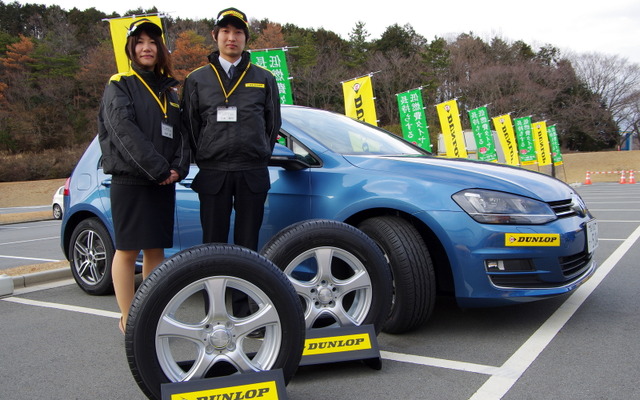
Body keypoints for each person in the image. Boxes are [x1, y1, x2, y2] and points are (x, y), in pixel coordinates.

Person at [98, 18, 190, 334]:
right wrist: (159, 168)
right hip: (132, 180)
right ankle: (129, 320)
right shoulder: (119, 84)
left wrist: (178, 167)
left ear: (161, 49)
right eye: (140, 42)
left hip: (163, 181)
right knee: (127, 250)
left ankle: (152, 313)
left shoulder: (171, 90)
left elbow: (181, 135)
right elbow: (124, 131)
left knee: (156, 250)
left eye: (152, 42)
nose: (146, 47)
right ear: (131, 48)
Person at [181, 7, 281, 252]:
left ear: (246, 39)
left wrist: (260, 154)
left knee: (248, 242)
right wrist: (204, 154)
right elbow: (190, 126)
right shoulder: (196, 79)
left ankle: (244, 292)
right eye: (225, 31)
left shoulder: (265, 77)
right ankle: (214, 290)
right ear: (215, 35)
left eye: (238, 32)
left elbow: (273, 123)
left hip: (252, 171)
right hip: (214, 171)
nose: (231, 38)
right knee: (213, 242)